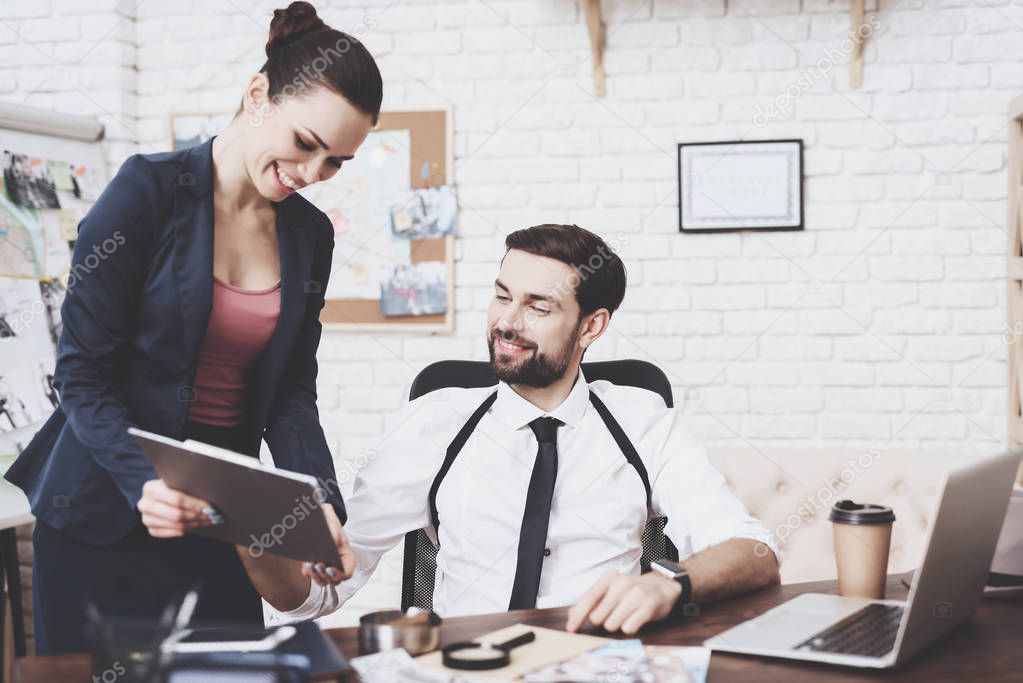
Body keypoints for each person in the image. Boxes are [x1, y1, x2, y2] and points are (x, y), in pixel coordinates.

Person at [4, 1, 380, 654]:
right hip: (102, 507)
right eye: (305, 144)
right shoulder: (147, 191)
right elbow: (81, 373)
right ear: (257, 94)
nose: (313, 173)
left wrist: (317, 502)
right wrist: (142, 479)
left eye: (336, 162)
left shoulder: (309, 235)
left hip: (221, 516)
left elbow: (291, 390)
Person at [243, 224, 781, 635]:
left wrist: (669, 584)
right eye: (502, 296)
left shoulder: (643, 422)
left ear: (591, 326)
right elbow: (319, 591)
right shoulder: (436, 422)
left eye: (537, 307)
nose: (507, 322)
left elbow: (755, 551)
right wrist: (250, 541)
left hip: (592, 662)